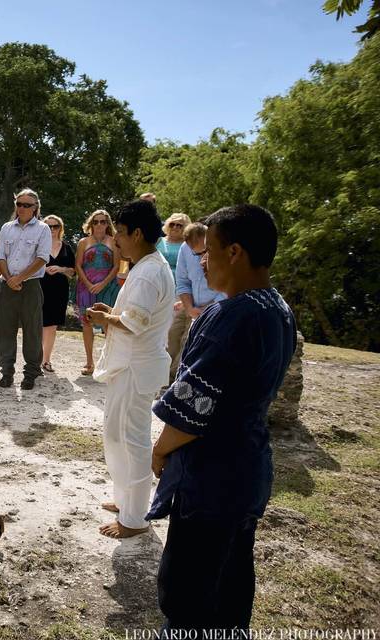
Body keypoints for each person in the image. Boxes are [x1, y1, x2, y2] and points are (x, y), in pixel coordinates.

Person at [148, 204, 296, 632]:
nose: (201, 260)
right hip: (247, 471)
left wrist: (159, 451)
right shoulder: (277, 308)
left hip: (211, 479)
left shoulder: (231, 317)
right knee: (229, 592)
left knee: (188, 598)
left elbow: (193, 407)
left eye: (208, 250)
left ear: (234, 252)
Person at [85, 199, 174, 539]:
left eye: (119, 233)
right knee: (114, 434)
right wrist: (111, 311)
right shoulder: (145, 265)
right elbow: (135, 314)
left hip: (136, 368)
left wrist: (103, 318)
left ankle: (135, 519)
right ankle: (125, 500)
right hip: (129, 365)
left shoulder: (150, 272)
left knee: (133, 440)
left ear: (137, 233)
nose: (115, 240)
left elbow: (134, 323)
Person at [0, 188, 52, 390]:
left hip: (31, 285)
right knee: (4, 329)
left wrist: (20, 277)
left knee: (32, 330)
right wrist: (9, 279)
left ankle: (31, 373)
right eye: (19, 204)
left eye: (27, 205)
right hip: (8, 285)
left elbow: (42, 258)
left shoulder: (43, 229)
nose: (22, 208)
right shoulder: (6, 228)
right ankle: (6, 372)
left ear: (35, 208)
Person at [166, 222, 225, 382]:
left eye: (205, 252)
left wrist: (205, 309)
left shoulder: (222, 247)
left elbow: (226, 288)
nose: (201, 259)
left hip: (214, 307)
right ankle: (164, 379)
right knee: (172, 336)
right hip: (188, 302)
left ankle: (176, 382)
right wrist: (189, 306)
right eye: (196, 254)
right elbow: (182, 280)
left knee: (188, 342)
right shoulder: (184, 249)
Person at [75, 210, 121, 376]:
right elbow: (78, 265)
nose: (99, 225)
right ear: (91, 224)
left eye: (103, 221)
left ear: (108, 224)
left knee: (108, 323)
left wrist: (102, 284)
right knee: (87, 323)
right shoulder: (83, 242)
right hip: (85, 286)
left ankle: (109, 362)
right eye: (96, 222)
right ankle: (89, 363)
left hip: (108, 286)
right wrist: (88, 284)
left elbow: (116, 266)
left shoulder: (114, 242)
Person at [40, 214, 76, 373]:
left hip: (59, 291)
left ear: (60, 228)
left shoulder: (67, 247)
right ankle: (36, 360)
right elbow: (27, 266)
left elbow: (73, 272)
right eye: (48, 226)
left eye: (55, 226)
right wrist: (43, 269)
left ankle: (46, 361)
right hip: (40, 288)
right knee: (39, 325)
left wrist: (61, 269)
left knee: (52, 327)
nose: (52, 229)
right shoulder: (38, 246)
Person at [156, 213, 191, 281]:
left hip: (179, 284)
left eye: (179, 225)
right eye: (172, 224)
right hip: (158, 280)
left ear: (185, 228)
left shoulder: (188, 244)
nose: (174, 227)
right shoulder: (158, 241)